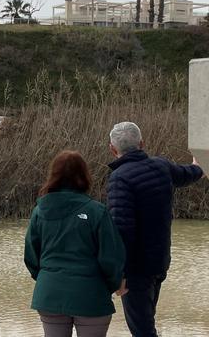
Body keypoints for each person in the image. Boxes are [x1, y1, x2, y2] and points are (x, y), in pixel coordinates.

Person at [106, 122, 204, 337]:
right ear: (142, 144)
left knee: (142, 330)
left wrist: (120, 274)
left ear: (113, 149)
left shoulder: (120, 178)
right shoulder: (161, 166)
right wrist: (199, 165)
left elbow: (121, 229)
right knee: (146, 323)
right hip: (159, 262)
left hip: (136, 269)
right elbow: (187, 174)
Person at [25, 150, 126, 337]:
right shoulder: (97, 211)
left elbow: (31, 256)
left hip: (50, 294)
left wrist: (48, 278)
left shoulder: (40, 211)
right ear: (84, 176)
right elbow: (112, 258)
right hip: (91, 296)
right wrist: (110, 286)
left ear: (53, 175)